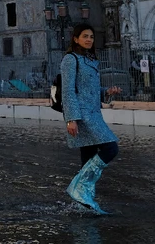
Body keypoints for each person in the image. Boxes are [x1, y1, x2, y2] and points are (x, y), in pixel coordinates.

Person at [61, 23, 122, 215]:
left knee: (88, 156)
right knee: (111, 148)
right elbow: (68, 90)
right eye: (85, 36)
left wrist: (107, 92)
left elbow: (90, 91)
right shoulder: (71, 60)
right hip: (83, 115)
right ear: (76, 38)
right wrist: (71, 119)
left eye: (92, 37)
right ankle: (79, 188)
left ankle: (83, 201)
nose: (89, 40)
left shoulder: (90, 60)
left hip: (93, 111)